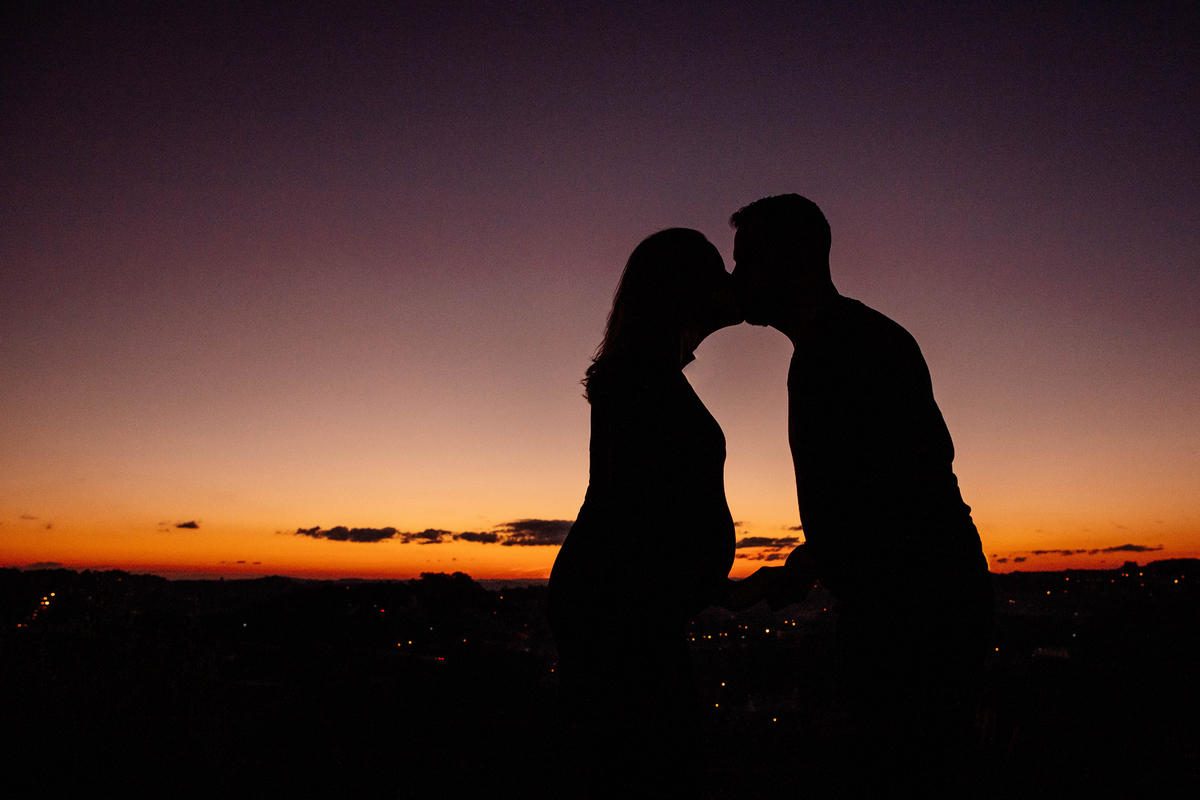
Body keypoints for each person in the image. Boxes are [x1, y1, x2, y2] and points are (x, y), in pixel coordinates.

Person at [725, 194, 994, 792]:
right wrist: (798, 571)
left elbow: (896, 495)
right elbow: (870, 495)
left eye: (747, 262)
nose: (736, 277)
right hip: (919, 603)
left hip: (914, 614)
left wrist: (804, 571)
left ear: (791, 257)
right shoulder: (849, 340)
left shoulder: (842, 349)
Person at [548, 228, 743, 798]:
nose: (729, 282)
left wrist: (708, 587)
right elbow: (632, 513)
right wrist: (692, 584)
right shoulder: (638, 376)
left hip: (629, 612)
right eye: (716, 271)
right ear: (684, 288)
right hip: (621, 619)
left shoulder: (646, 373)